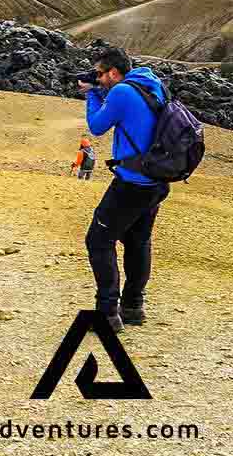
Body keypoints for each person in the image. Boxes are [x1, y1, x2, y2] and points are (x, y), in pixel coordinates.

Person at [76, 47, 170, 331]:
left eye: (101, 74)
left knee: (98, 241)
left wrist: (91, 94)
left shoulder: (120, 92)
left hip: (131, 184)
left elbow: (97, 126)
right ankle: (133, 307)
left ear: (114, 72)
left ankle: (107, 313)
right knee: (138, 241)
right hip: (156, 180)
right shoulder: (152, 84)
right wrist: (101, 89)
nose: (99, 78)